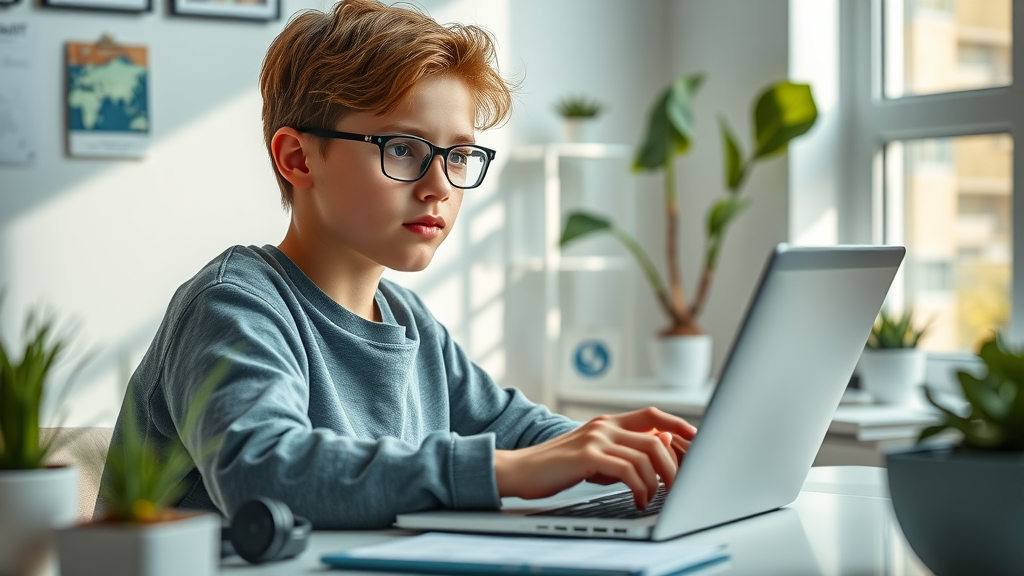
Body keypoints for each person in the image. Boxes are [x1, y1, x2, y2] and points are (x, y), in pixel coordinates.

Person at [98, 0, 697, 529]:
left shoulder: (408, 322)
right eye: (403, 149)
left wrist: (615, 449)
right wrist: (505, 470)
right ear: (298, 158)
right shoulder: (234, 303)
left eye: (458, 154)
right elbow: (264, 471)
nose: (440, 185)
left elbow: (515, 430)